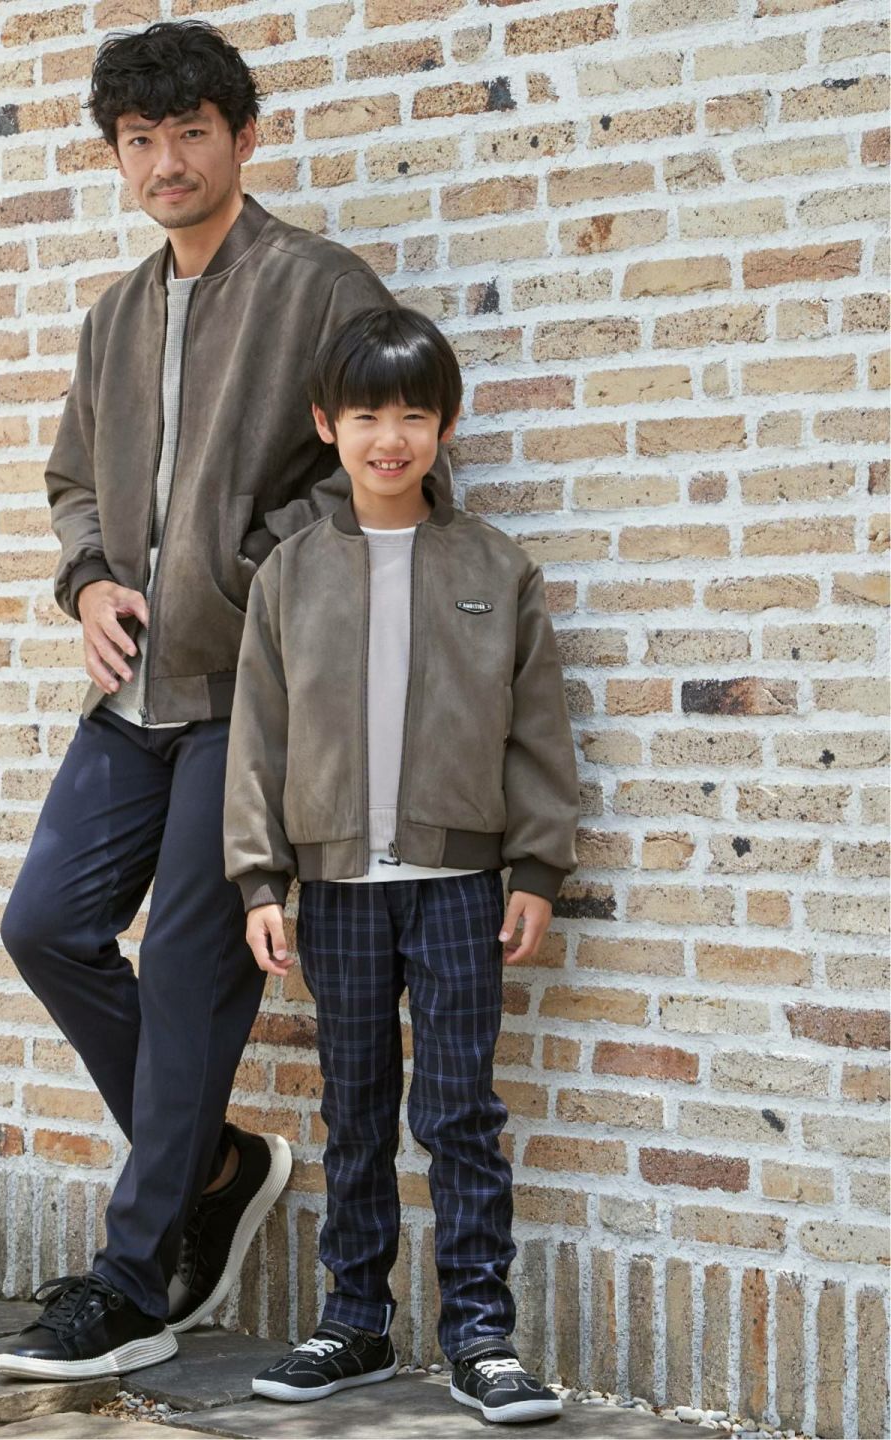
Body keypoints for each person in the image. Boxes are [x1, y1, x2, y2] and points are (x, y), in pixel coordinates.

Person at [0, 21, 451, 1382]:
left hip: (248, 701)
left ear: (243, 139)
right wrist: (87, 581)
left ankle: (134, 1285)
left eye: (191, 133)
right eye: (140, 141)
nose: (166, 163)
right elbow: (74, 483)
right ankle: (218, 1162)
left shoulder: (320, 286)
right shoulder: (114, 316)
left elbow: (390, 473)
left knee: (192, 981)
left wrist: (243, 571)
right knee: (45, 925)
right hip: (131, 697)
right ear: (117, 156)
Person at [223, 308, 579, 1424]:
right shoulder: (289, 575)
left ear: (446, 426)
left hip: (461, 889)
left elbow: (537, 730)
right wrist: (258, 880)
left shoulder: (496, 568)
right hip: (334, 893)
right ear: (327, 424)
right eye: (367, 414)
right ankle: (354, 1323)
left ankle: (481, 1335)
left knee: (461, 1112)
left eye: (414, 416)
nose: (391, 438)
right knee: (357, 1111)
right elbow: (257, 736)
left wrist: (536, 868)